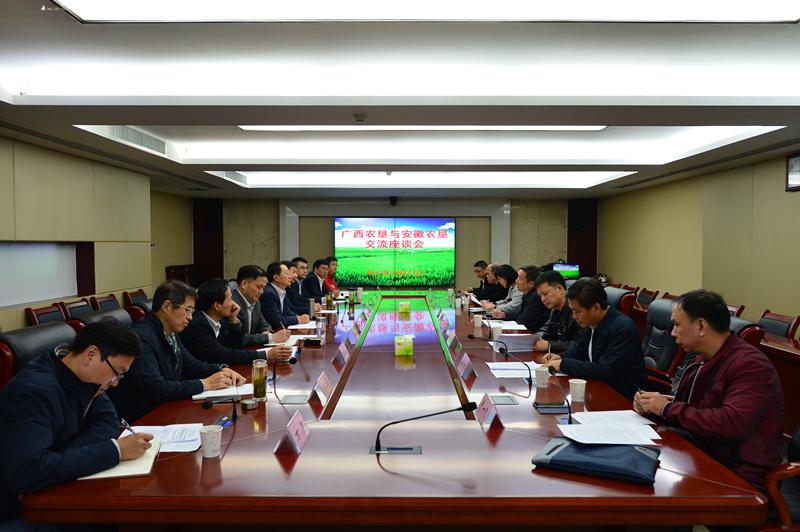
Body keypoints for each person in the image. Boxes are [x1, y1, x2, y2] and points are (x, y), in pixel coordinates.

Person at [0, 320, 153, 524]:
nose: (115, 382)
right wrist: (115, 451)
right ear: (91, 355)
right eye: (116, 372)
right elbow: (28, 472)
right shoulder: (32, 392)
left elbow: (108, 421)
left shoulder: (86, 379)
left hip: (55, 491)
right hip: (19, 509)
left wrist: (60, 458)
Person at [634, 289, 783, 489]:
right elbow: (699, 407)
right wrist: (655, 404)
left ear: (701, 326)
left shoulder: (751, 365)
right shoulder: (702, 358)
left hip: (740, 474)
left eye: (677, 325)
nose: (673, 332)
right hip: (702, 453)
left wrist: (667, 409)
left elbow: (731, 424)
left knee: (651, 490)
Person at [108, 281, 246, 423]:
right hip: (145, 419)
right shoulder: (142, 337)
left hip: (168, 409)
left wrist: (221, 370)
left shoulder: (170, 332)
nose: (190, 317)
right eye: (187, 310)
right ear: (167, 306)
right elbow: (156, 388)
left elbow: (191, 365)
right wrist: (205, 384)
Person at [542, 277, 646, 399]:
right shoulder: (592, 321)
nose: (574, 316)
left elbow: (604, 370)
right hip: (597, 389)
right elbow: (579, 349)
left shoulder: (623, 329)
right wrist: (560, 357)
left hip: (623, 397)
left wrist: (563, 364)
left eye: (577, 311)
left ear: (596, 308)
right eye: (572, 311)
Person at [180, 278, 294, 365]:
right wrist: (266, 354)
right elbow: (223, 354)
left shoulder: (219, 319)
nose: (233, 303)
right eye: (230, 299)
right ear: (217, 305)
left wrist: (234, 320)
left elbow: (236, 345)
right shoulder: (196, 324)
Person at [231, 265, 291, 345]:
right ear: (244, 284)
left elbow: (263, 323)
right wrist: (268, 337)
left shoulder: (256, 302)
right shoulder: (231, 304)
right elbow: (240, 338)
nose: (262, 292)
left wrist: (266, 331)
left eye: (263, 288)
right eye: (259, 287)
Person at [533, 270, 581, 353]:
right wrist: (536, 337)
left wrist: (549, 345)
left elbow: (580, 345)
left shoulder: (576, 310)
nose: (543, 299)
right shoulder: (555, 309)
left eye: (545, 294)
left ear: (560, 289)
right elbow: (548, 331)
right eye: (540, 296)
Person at [492, 265, 549, 332]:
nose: (516, 281)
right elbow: (520, 315)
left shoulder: (536, 297)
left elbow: (524, 320)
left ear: (530, 284)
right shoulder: (527, 295)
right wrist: (504, 315)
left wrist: (498, 309)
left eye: (520, 278)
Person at [261, 261, 311, 330]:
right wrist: (297, 319)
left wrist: (298, 316)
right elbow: (275, 320)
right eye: (287, 273)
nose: (290, 276)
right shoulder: (269, 294)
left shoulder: (281, 290)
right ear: (276, 277)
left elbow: (287, 311)